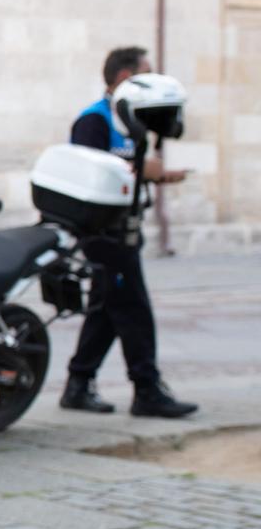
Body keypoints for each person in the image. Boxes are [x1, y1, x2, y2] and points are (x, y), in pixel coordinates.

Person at [59, 45, 198, 418]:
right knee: (134, 309)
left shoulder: (127, 119)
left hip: (123, 229)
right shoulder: (94, 120)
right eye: (145, 74)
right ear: (124, 78)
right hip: (103, 235)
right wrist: (140, 169)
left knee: (107, 309)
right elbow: (90, 172)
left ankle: (78, 384)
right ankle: (147, 389)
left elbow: (128, 172)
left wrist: (158, 176)